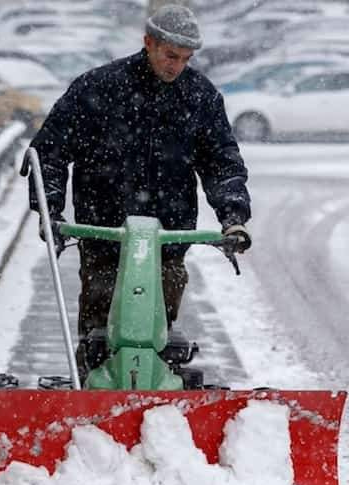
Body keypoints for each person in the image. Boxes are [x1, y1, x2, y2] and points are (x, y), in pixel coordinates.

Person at [27, 5, 252, 375]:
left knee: (155, 334)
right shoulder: (97, 89)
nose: (176, 66)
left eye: (185, 59)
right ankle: (91, 401)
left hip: (167, 241)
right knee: (100, 337)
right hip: (104, 236)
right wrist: (49, 210)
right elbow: (48, 153)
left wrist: (233, 218)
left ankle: (154, 416)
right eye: (170, 55)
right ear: (148, 42)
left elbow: (222, 163)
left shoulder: (199, 98)